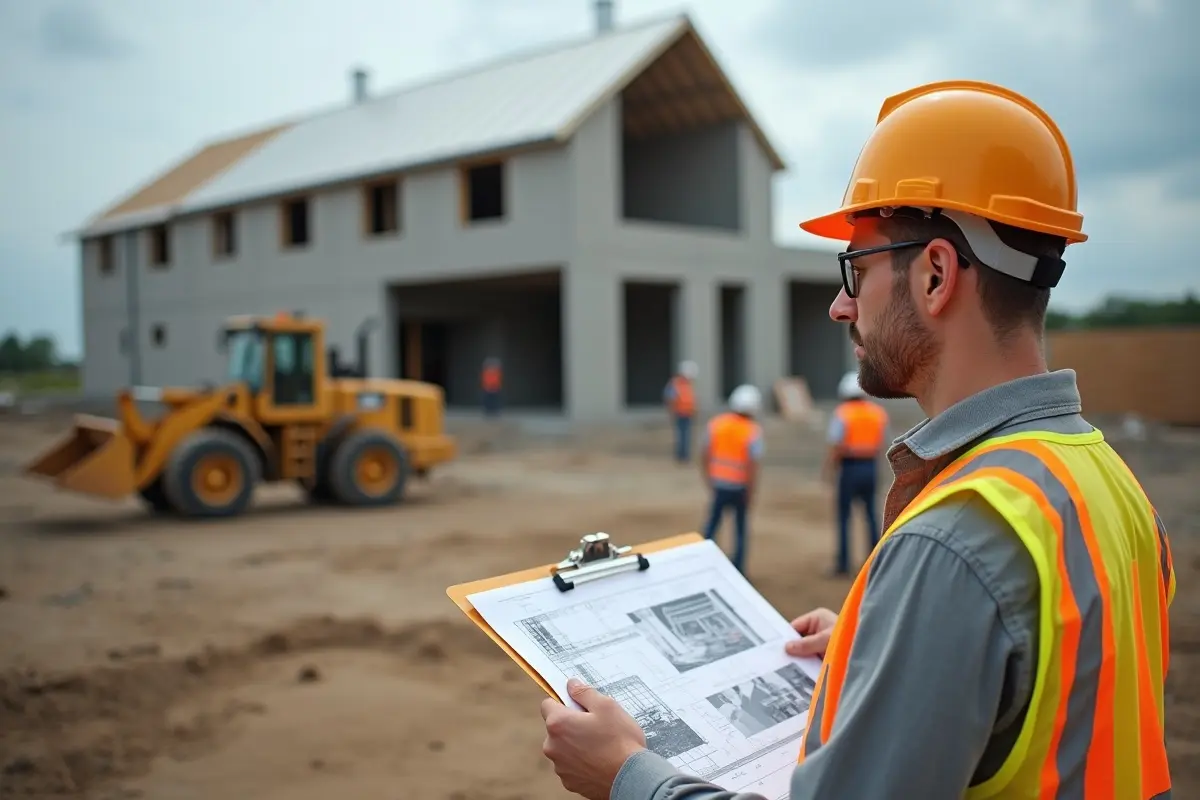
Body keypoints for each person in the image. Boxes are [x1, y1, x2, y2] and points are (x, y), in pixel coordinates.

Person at [539, 79, 1176, 800]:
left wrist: (630, 777)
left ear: (935, 274)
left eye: (858, 268)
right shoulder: (1109, 485)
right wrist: (897, 650)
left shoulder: (955, 542)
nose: (842, 305)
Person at [823, 369, 889, 576]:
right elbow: (881, 443)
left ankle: (843, 563)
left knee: (844, 517)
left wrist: (830, 470)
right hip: (869, 465)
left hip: (850, 467)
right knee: (871, 515)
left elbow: (837, 445)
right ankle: (875, 561)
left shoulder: (842, 413)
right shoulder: (877, 412)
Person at [698, 384, 763, 575]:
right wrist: (751, 492)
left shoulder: (716, 423)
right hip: (740, 487)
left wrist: (708, 479)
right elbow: (753, 465)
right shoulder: (752, 430)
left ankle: (702, 563)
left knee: (712, 526)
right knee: (740, 529)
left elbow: (704, 454)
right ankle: (739, 569)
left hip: (719, 485)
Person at [663, 360, 698, 462]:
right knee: (682, 435)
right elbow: (670, 397)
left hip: (688, 412)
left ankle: (685, 455)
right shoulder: (676, 383)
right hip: (680, 412)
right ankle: (682, 455)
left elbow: (692, 398)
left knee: (686, 435)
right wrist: (671, 410)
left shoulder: (688, 384)